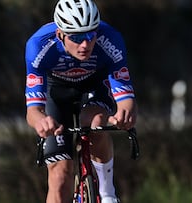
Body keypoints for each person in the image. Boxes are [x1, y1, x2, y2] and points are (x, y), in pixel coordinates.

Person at [24, 0, 137, 202]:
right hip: (56, 92)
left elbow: (126, 98)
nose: (85, 44)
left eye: (90, 35)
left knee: (93, 123)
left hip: (94, 86)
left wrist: (124, 114)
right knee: (59, 178)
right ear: (60, 34)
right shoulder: (38, 46)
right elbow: (33, 111)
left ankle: (107, 193)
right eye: (76, 37)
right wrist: (41, 121)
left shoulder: (110, 39)